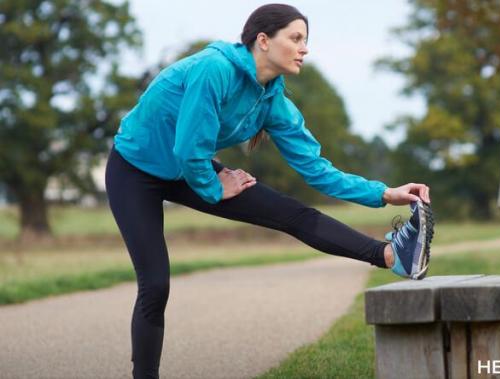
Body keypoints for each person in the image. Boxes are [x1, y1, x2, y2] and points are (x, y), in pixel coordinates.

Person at [105, 4, 434, 378]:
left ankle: (393, 255)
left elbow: (317, 169)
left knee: (293, 213)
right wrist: (215, 187)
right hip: (135, 169)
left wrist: (384, 193)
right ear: (263, 40)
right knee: (156, 284)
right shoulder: (214, 70)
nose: (304, 48)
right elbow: (187, 150)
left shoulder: (273, 100)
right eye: (295, 38)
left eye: (305, 41)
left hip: (191, 168)